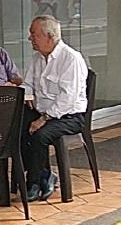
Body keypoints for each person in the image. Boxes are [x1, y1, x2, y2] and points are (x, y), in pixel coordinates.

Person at [22, 15, 88, 200]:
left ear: (49, 36)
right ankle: (44, 175)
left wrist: (44, 119)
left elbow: (68, 99)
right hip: (41, 111)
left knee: (40, 135)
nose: (30, 38)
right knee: (16, 128)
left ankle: (33, 182)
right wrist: (27, 94)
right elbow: (27, 84)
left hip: (69, 116)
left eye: (34, 34)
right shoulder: (37, 58)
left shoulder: (71, 58)